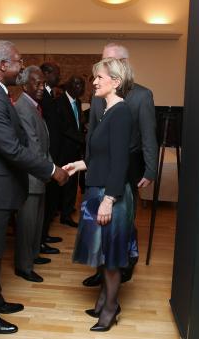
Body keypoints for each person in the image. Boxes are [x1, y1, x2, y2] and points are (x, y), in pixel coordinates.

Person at [0, 40, 68, 334]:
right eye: (18, 61)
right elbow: (10, 148)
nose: (21, 66)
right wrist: (51, 170)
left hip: (0, 190)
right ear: (3, 65)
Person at [63, 57, 134, 332]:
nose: (94, 82)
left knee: (113, 258)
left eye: (99, 78)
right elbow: (103, 156)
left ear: (115, 82)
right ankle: (104, 299)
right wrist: (80, 165)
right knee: (105, 255)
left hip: (110, 195)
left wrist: (108, 200)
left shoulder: (122, 112)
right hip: (99, 190)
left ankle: (111, 307)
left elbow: (120, 163)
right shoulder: (107, 110)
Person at [82, 43, 158, 287]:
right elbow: (91, 136)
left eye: (110, 60)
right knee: (98, 222)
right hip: (99, 169)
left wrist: (150, 169)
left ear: (124, 65)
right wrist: (86, 166)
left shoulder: (142, 95)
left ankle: (122, 266)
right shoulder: (97, 95)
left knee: (122, 221)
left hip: (129, 168)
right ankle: (100, 270)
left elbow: (148, 136)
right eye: (102, 60)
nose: (103, 66)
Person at [13, 66, 52, 282]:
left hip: (40, 174)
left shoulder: (35, 106)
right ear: (25, 85)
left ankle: (33, 256)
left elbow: (43, 145)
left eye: (43, 83)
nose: (41, 88)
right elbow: (33, 147)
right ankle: (23, 266)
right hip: (30, 177)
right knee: (27, 225)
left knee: (36, 222)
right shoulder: (22, 107)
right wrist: (52, 171)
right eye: (37, 83)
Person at [39, 62, 63, 254]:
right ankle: (40, 239)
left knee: (51, 200)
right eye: (56, 73)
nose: (59, 77)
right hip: (48, 156)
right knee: (45, 202)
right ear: (45, 74)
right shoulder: (41, 96)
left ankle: (44, 235)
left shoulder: (50, 94)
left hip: (54, 154)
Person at [56, 76, 86, 228]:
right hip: (64, 150)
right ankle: (65, 215)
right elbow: (65, 128)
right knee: (66, 182)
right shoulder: (60, 102)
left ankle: (67, 209)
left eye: (81, 84)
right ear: (68, 86)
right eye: (77, 83)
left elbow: (76, 126)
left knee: (73, 183)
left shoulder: (78, 102)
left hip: (74, 149)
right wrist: (84, 139)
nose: (80, 87)